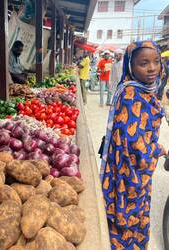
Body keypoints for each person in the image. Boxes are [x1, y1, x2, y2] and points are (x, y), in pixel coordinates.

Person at [100, 41, 167, 249]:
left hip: (131, 171)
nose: (152, 68)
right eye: (143, 63)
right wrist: (159, 150)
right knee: (128, 218)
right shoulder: (132, 95)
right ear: (131, 66)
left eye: (156, 61)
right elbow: (135, 145)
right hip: (130, 175)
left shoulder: (142, 90)